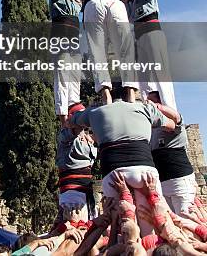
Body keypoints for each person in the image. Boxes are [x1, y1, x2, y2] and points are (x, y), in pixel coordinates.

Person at [68, 86, 181, 236]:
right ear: (130, 91)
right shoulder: (144, 108)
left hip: (114, 172)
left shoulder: (95, 112)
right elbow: (172, 125)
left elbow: (70, 121)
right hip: (144, 170)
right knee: (150, 228)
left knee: (122, 231)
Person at [51, 0, 147, 103]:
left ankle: (105, 94)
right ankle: (130, 92)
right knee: (125, 49)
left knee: (97, 51)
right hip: (116, 4)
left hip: (93, 5)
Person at [124, 0, 176, 109]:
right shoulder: (128, 2)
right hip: (139, 38)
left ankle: (170, 108)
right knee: (144, 78)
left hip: (152, 32)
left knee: (160, 71)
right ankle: (151, 108)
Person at [149, 93, 196, 215]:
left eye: (151, 101)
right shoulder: (152, 129)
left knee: (187, 223)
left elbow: (175, 117)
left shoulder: (175, 123)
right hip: (163, 185)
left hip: (180, 182)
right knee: (172, 228)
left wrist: (155, 106)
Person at [50, 0, 82, 120]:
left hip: (74, 43)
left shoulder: (76, 3)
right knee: (62, 76)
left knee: (75, 77)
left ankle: (73, 106)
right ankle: (63, 115)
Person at [56, 112, 97, 222]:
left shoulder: (88, 141)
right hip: (72, 194)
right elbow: (75, 129)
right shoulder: (65, 137)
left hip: (86, 192)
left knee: (88, 229)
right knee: (74, 227)